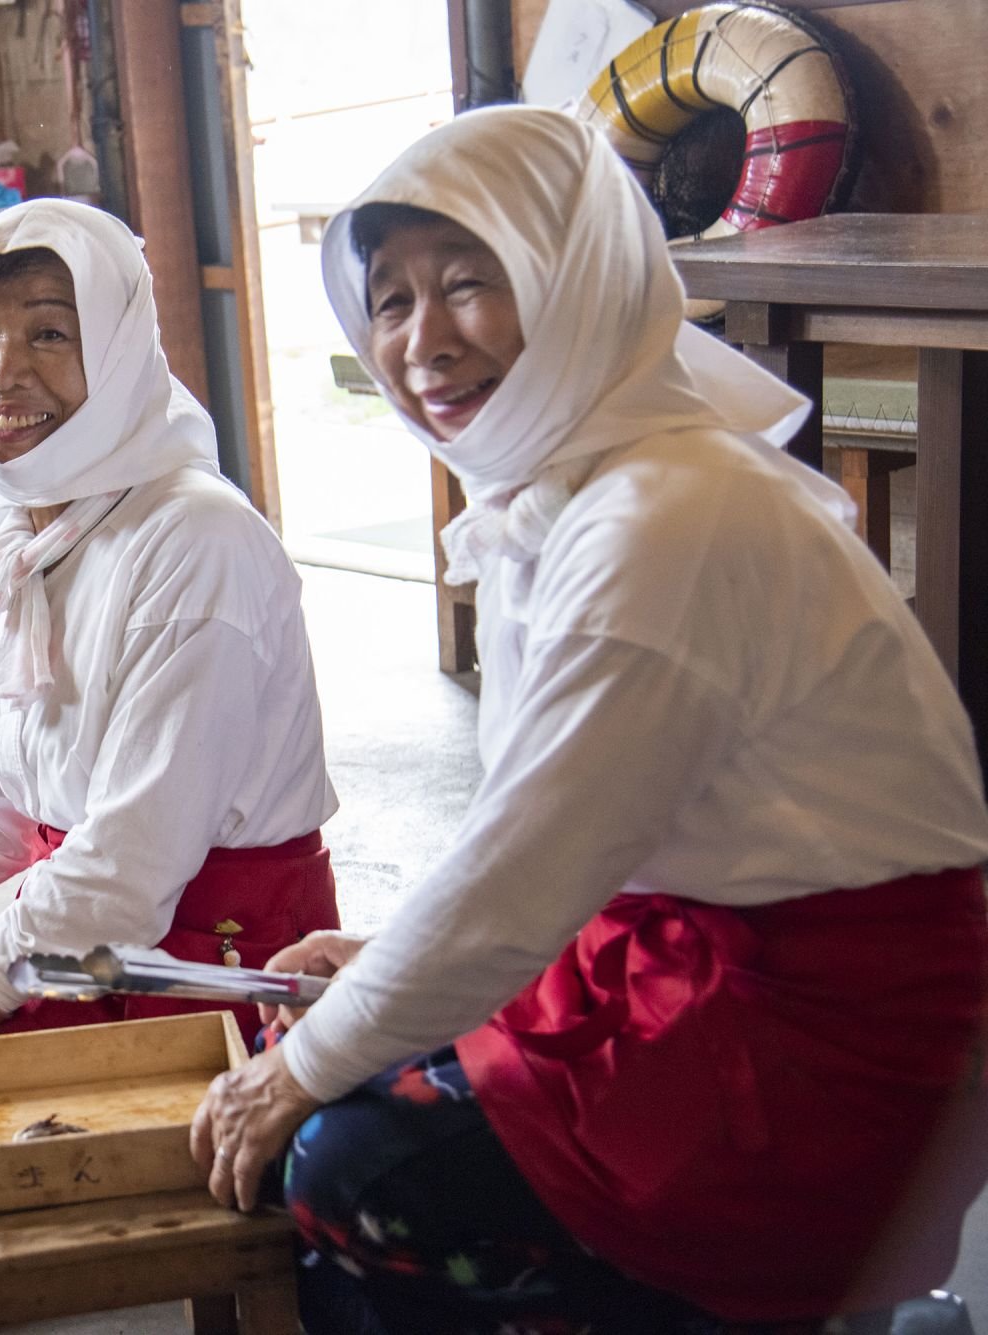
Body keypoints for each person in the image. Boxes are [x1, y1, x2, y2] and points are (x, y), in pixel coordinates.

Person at [190, 106, 988, 1332]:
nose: (422, 341)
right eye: (389, 301)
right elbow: (543, 844)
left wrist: (307, 1064)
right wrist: (389, 973)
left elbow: (518, 878)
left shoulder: (659, 518)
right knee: (362, 1086)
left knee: (353, 1172)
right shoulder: (581, 486)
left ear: (577, 278)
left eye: (469, 283)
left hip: (815, 1029)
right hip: (684, 952)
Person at [0, 198, 340, 1056]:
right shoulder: (0, 541)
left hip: (215, 968)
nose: (1, 372)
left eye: (49, 333)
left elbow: (130, 862)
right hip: (79, 936)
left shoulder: (197, 541)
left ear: (120, 349)